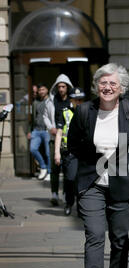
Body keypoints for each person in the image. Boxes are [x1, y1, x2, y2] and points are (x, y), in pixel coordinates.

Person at [68, 63, 129, 268]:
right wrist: (79, 173)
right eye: (103, 82)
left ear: (121, 87)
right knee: (95, 236)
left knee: (120, 239)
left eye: (113, 83)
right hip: (91, 184)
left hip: (121, 184)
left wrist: (126, 167)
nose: (108, 87)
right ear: (96, 85)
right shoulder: (84, 112)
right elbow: (72, 146)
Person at [54, 87, 85, 216]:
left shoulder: (89, 111)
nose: (78, 102)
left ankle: (81, 206)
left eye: (80, 100)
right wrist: (57, 152)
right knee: (70, 179)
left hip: (85, 152)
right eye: (75, 100)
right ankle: (69, 202)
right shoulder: (64, 112)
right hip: (69, 152)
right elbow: (59, 133)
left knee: (82, 181)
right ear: (71, 99)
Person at [49, 74, 74, 206]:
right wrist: (50, 127)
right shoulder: (52, 100)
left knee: (67, 169)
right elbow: (45, 116)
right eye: (59, 86)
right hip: (54, 137)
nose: (61, 89)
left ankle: (66, 193)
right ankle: (54, 193)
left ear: (68, 87)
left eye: (63, 86)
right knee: (54, 168)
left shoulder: (71, 101)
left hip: (68, 140)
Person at [27, 84, 54, 180]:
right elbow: (32, 117)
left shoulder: (51, 101)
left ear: (47, 90)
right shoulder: (35, 102)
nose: (41, 91)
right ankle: (43, 167)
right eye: (40, 90)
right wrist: (30, 130)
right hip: (36, 130)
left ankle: (50, 172)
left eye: (43, 89)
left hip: (47, 130)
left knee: (48, 153)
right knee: (33, 149)